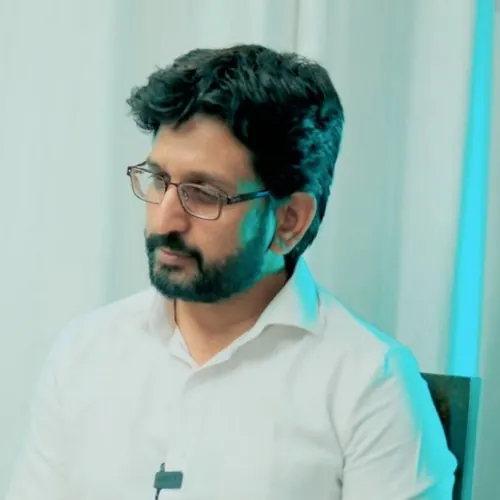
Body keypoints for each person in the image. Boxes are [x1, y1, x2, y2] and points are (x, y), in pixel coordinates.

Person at [6, 44, 456, 500]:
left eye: (203, 193)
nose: (164, 220)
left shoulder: (370, 385)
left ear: (289, 221)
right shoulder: (84, 353)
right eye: (158, 180)